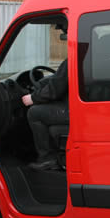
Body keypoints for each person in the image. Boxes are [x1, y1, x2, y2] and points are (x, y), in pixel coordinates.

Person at [21, 37, 69, 171]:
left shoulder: (75, 59)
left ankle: (48, 159)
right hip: (89, 108)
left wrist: (33, 98)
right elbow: (58, 81)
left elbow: (55, 89)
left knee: (34, 113)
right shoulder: (94, 59)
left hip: (75, 111)